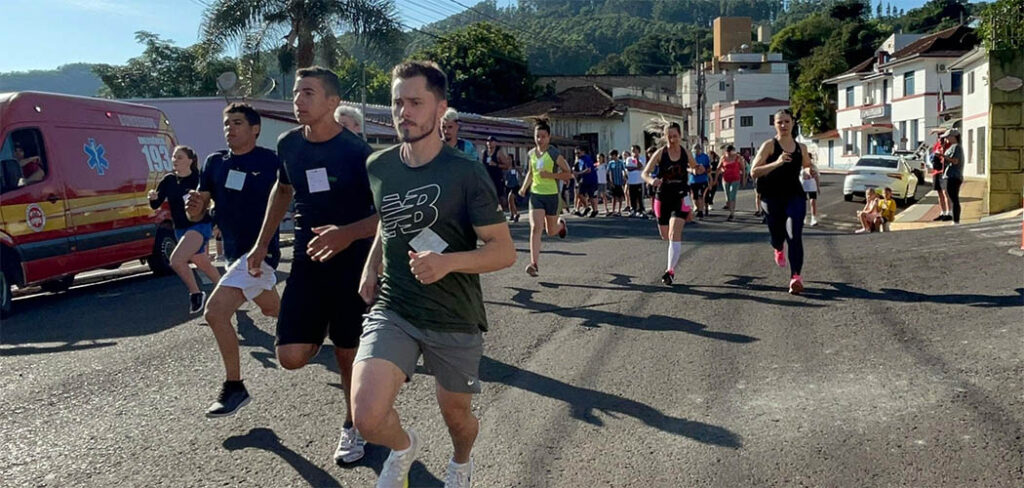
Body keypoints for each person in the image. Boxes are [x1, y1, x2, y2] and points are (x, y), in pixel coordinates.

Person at [352, 60, 516, 488]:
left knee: (457, 416)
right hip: (396, 307)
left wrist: (447, 263)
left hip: (454, 317)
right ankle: (404, 447)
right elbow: (389, 222)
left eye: (415, 102)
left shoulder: (465, 173)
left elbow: (504, 251)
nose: (403, 111)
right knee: (367, 416)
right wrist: (373, 266)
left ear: (440, 108)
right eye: (397, 102)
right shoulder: (379, 166)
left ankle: (461, 464)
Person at [245, 67, 379, 464]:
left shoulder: (358, 154)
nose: (298, 100)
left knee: (347, 353)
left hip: (352, 262)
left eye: (308, 93)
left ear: (333, 103)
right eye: (296, 93)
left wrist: (347, 234)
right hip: (306, 260)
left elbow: (387, 214)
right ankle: (320, 330)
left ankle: (353, 426)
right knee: (291, 356)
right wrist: (261, 242)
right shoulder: (288, 144)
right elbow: (283, 189)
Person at [186, 103, 283, 417]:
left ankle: (234, 386)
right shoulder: (215, 163)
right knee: (271, 308)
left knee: (216, 313)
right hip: (233, 253)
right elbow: (197, 211)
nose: (230, 129)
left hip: (261, 251)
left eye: (237, 123)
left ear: (255, 129)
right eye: (227, 124)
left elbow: (292, 195)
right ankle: (311, 320)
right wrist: (194, 205)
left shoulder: (271, 161)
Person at [148, 145, 221, 313]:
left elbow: (214, 199)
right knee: (202, 262)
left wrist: (218, 223)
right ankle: (227, 289)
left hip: (199, 226)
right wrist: (152, 197)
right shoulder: (168, 180)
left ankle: (196, 294)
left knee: (176, 260)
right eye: (173, 157)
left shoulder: (199, 178)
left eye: (179, 157)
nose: (175, 160)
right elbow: (155, 204)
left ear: (190, 160)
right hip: (180, 228)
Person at [750, 108, 811, 295]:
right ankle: (778, 247)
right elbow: (754, 171)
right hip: (771, 197)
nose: (783, 125)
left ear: (793, 123)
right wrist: (777, 162)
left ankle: (795, 277)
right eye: (779, 122)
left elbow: (807, 165)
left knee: (794, 235)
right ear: (775, 125)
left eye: (786, 121)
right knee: (778, 235)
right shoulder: (769, 145)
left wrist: (810, 172)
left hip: (795, 196)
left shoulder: (802, 148)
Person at [642, 122, 696, 286]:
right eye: (669, 136)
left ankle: (669, 271)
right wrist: (652, 180)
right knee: (665, 236)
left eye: (675, 136)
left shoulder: (685, 152)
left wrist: (697, 170)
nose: (672, 139)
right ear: (665, 137)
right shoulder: (660, 153)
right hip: (662, 197)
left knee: (674, 234)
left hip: (680, 197)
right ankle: (672, 261)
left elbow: (694, 167)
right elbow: (645, 172)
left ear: (680, 136)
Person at [519, 120, 571, 276]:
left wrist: (551, 175)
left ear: (549, 137)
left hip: (552, 196)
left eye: (543, 136)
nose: (539, 139)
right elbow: (531, 172)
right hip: (536, 195)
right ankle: (534, 264)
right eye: (537, 136)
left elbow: (568, 173)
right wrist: (524, 187)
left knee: (551, 231)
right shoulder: (531, 153)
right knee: (536, 228)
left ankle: (561, 225)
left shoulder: (553, 153)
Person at [481, 136, 511, 214]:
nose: (489, 143)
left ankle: (502, 212)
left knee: (500, 196)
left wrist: (496, 165)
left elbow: (507, 166)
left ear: (495, 143)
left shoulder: (498, 153)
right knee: (488, 196)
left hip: (497, 178)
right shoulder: (484, 152)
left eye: (491, 141)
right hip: (487, 178)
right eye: (488, 141)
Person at [940, 129, 964, 224]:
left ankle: (956, 220)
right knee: (952, 197)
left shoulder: (956, 147)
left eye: (948, 137)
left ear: (953, 137)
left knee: (954, 198)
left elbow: (955, 161)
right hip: (949, 175)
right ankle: (955, 219)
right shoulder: (951, 147)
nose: (946, 138)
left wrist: (943, 156)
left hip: (953, 176)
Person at [718, 145, 745, 221]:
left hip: (735, 179)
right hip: (726, 179)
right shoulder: (723, 158)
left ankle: (732, 213)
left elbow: (743, 169)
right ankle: (730, 208)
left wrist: (743, 179)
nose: (729, 153)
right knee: (728, 197)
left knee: (732, 194)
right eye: (728, 152)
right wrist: (715, 179)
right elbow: (718, 168)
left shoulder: (738, 158)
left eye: (731, 151)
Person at [930, 136, 952, 221]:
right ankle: (943, 212)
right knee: (939, 193)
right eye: (939, 138)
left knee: (946, 192)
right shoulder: (937, 145)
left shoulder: (948, 146)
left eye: (942, 138)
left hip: (944, 172)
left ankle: (949, 213)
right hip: (936, 171)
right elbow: (932, 157)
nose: (940, 139)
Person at [573, 146, 598, 217]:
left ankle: (594, 210)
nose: (577, 154)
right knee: (580, 194)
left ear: (583, 152)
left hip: (591, 179)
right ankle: (587, 207)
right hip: (583, 180)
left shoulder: (587, 158)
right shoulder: (578, 159)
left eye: (578, 153)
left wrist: (579, 173)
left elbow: (588, 169)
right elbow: (576, 168)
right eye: (575, 153)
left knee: (591, 196)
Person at [689, 144, 711, 220]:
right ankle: (698, 208)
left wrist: (703, 170)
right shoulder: (690, 156)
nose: (696, 151)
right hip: (693, 180)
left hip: (703, 179)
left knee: (701, 196)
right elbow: (686, 167)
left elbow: (708, 168)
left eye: (698, 149)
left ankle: (701, 212)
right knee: (694, 197)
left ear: (700, 149)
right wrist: (692, 170)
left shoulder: (705, 157)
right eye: (695, 149)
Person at [625, 147, 646, 217]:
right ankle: (633, 209)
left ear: (638, 151)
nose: (633, 152)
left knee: (640, 197)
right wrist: (636, 168)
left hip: (639, 181)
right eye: (632, 150)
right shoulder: (629, 159)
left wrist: (637, 159)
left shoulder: (642, 158)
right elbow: (628, 168)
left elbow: (641, 166)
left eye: (635, 150)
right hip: (631, 181)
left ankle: (641, 210)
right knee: (632, 196)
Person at [606, 149, 627, 216]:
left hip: (620, 182)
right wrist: (610, 181)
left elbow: (623, 170)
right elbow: (609, 172)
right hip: (613, 182)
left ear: (615, 155)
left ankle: (619, 210)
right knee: (614, 197)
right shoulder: (611, 163)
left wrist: (624, 177)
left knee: (620, 196)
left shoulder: (621, 162)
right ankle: (613, 210)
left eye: (611, 155)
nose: (611, 157)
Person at [801, 162, 821, 226]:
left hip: (812, 187)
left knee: (812, 202)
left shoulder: (813, 167)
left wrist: (818, 187)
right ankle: (804, 217)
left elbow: (817, 177)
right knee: (803, 203)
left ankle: (813, 218)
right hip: (803, 187)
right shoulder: (800, 166)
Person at [504, 154, 522, 223]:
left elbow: (521, 173)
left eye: (509, 159)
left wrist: (521, 182)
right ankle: (512, 214)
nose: (508, 160)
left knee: (510, 198)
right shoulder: (505, 167)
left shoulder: (514, 168)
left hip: (515, 186)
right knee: (510, 201)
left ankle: (516, 214)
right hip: (508, 186)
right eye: (507, 159)